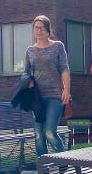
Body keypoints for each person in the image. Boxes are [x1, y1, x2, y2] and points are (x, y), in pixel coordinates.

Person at [24, 15, 71, 156]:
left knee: (49, 132)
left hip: (55, 96)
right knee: (39, 136)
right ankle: (43, 173)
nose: (38, 31)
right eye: (36, 28)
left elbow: (64, 68)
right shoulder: (30, 51)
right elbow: (26, 72)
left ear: (48, 30)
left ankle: (65, 162)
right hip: (37, 98)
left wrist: (67, 90)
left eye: (41, 28)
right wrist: (28, 81)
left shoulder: (58, 46)